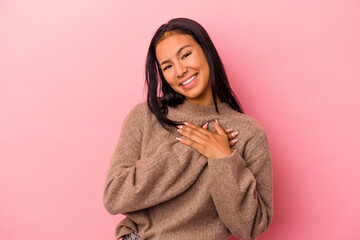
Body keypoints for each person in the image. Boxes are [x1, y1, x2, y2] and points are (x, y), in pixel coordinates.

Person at [103, 17, 273, 240]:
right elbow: (115, 196)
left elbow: (250, 227)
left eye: (186, 55)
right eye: (167, 66)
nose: (180, 70)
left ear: (206, 52)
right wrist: (191, 149)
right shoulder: (146, 116)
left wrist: (223, 159)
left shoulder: (249, 133)